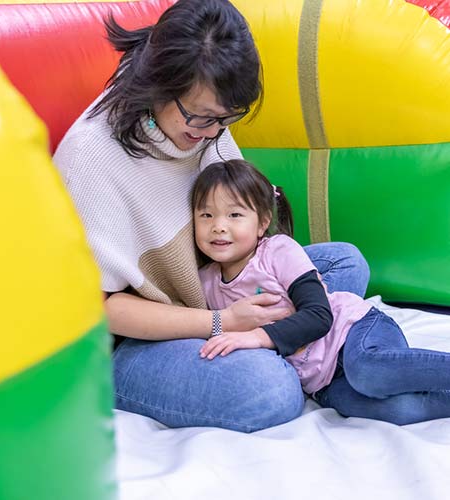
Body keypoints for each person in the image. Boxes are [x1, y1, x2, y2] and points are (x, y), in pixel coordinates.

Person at [53, 0, 370, 432]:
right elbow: (96, 310)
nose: (210, 133)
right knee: (270, 391)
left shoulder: (202, 124)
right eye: (201, 118)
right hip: (135, 340)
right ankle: (287, 349)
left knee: (346, 262)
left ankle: (278, 341)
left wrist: (252, 305)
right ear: (159, 83)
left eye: (224, 120)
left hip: (214, 290)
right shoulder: (91, 159)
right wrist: (221, 322)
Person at [194, 159, 450, 425]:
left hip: (353, 332)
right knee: (397, 410)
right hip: (322, 382)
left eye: (234, 215)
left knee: (368, 371)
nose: (219, 226)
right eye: (206, 215)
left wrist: (259, 337)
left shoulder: (277, 251)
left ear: (262, 223)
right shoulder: (205, 284)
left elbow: (319, 315)